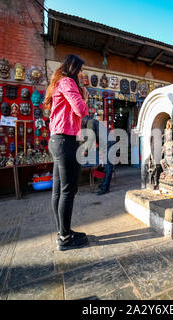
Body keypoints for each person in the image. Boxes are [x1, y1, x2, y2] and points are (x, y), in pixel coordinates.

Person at [44, 54, 90, 251]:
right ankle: (64, 237)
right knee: (68, 190)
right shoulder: (68, 82)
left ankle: (64, 231)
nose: (81, 74)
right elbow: (81, 110)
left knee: (59, 190)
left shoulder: (58, 83)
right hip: (66, 140)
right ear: (73, 68)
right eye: (80, 70)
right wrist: (85, 97)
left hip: (57, 140)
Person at [81, 115, 115, 195]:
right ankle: (104, 185)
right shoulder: (93, 122)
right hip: (108, 144)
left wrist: (86, 151)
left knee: (108, 167)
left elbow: (91, 138)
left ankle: (105, 188)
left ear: (84, 122)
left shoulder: (90, 122)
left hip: (109, 144)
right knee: (107, 167)